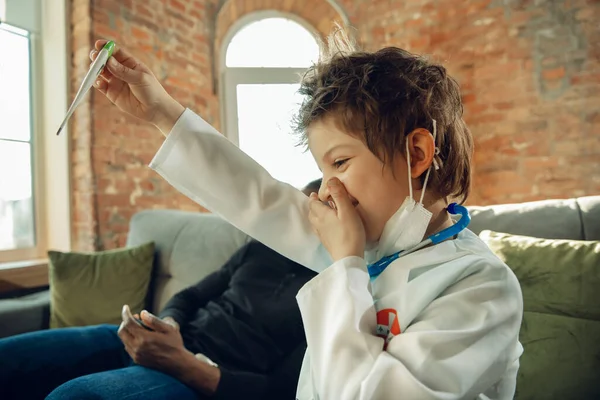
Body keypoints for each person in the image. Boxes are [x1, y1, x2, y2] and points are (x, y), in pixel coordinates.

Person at [90, 27, 523, 400]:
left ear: (415, 154)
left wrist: (347, 265)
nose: (326, 189)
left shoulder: (481, 286)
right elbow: (258, 197)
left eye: (340, 163)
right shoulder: (370, 238)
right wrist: (162, 113)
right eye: (321, 170)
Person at [0, 180, 319, 400]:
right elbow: (188, 297)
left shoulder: (333, 291)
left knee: (74, 396)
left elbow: (280, 390)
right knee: (8, 358)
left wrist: (182, 362)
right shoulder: (260, 249)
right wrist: (167, 326)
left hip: (196, 375)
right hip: (149, 342)